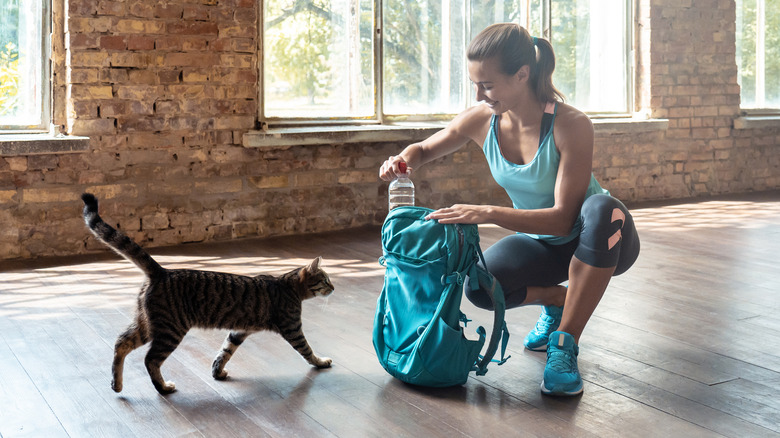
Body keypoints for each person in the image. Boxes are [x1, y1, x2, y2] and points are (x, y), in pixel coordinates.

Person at [378, 23, 640, 396]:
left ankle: (564, 344)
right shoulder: (482, 120)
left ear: (522, 75)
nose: (479, 94)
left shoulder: (571, 124)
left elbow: (565, 217)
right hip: (542, 243)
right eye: (474, 84)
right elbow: (423, 149)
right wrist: (402, 161)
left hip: (602, 238)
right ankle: (555, 300)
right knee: (481, 288)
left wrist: (486, 212)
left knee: (601, 208)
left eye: (487, 84)